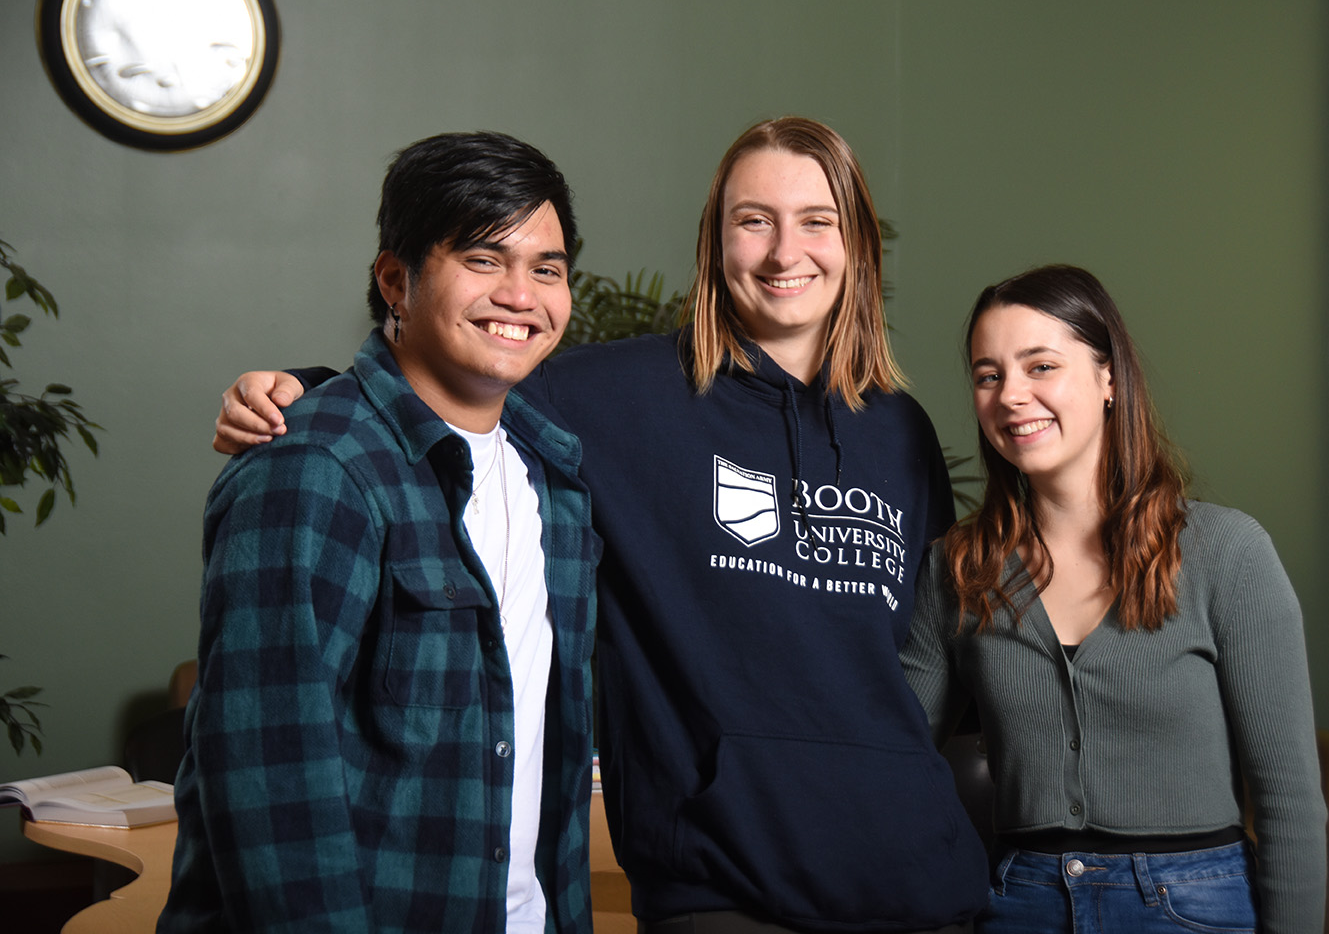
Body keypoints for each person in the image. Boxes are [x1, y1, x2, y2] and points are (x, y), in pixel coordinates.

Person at [211, 117, 992, 934]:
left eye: (817, 221)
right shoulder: (614, 397)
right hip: (725, 879)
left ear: (858, 244)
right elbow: (451, 382)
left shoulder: (901, 431)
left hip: (920, 872)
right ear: (714, 242)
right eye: (753, 220)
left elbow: (918, 658)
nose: (783, 252)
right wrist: (303, 394)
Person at [160, 132, 600, 933]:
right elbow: (269, 785)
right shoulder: (313, 470)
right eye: (482, 260)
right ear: (396, 279)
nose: (520, 295)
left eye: (547, 268)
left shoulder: (555, 475)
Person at [900, 264, 1326, 934]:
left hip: (1194, 905)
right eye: (989, 375)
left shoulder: (1228, 554)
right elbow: (891, 754)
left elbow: (1289, 799)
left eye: (1041, 366)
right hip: (1018, 902)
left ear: (1109, 379)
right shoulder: (957, 567)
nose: (1012, 395)